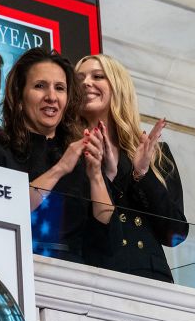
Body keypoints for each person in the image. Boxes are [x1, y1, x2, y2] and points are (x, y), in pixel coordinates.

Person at [0, 47, 114, 263]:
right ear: (19, 98)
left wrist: (96, 175)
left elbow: (106, 233)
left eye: (60, 88)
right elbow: (1, 213)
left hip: (76, 281)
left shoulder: (82, 159)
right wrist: (59, 169)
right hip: (13, 271)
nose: (51, 97)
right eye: (40, 86)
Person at [76, 54, 187, 282]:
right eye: (79, 78)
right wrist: (106, 176)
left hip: (150, 278)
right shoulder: (68, 152)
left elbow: (176, 233)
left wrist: (141, 174)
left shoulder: (156, 154)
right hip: (93, 276)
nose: (86, 82)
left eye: (97, 76)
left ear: (119, 88)